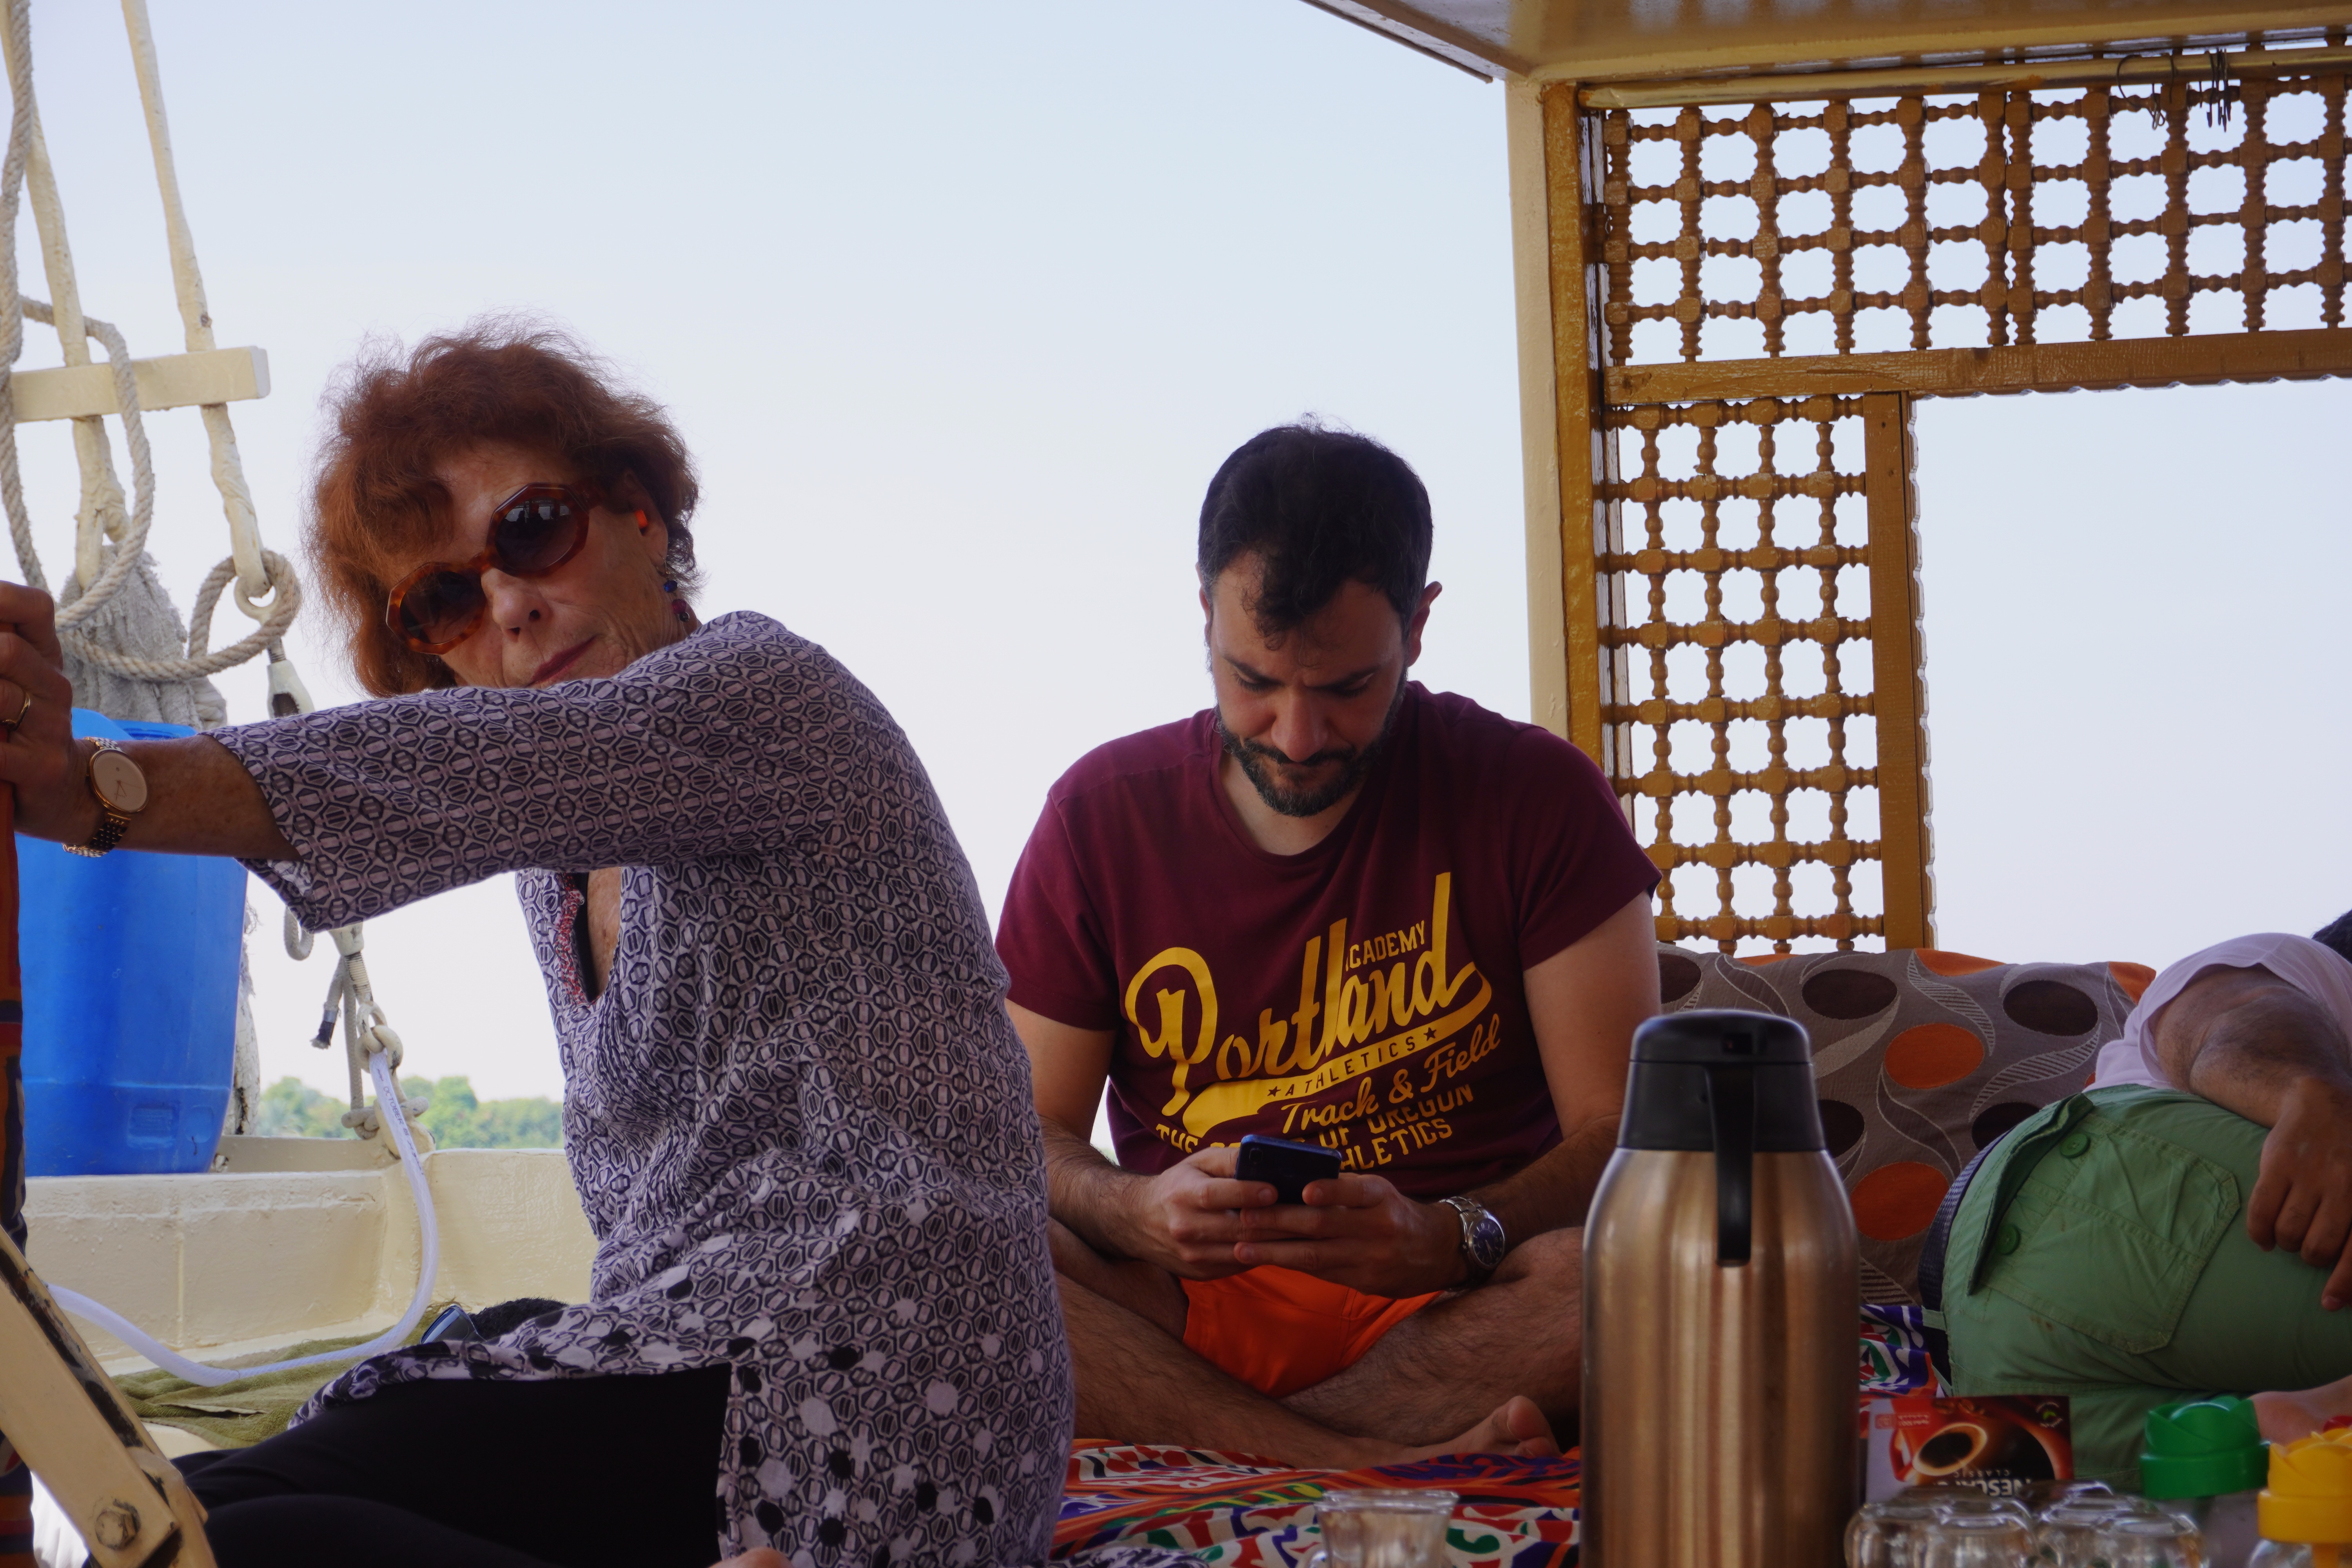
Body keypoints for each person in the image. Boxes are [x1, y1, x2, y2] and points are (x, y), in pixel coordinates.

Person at [0, 325, 1140, 1568]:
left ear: (641, 516)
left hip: (878, 1394)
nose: (509, 605)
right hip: (690, 1375)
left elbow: (472, 774)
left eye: (535, 529)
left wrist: (90, 785)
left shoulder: (771, 696)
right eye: (443, 602)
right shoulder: (560, 876)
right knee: (188, 1518)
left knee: (226, 1535)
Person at [995, 423, 1661, 1467]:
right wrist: (1135, 1210)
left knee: (1639, 1277)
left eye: (1348, 688)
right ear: (1205, 613)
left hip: (1452, 1305)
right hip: (1182, 1308)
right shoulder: (1098, 818)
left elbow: (1626, 1133)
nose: (1296, 735)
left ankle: (1239, 1449)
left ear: (1419, 625)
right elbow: (1017, 1135)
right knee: (961, 1251)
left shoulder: (1536, 797)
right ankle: (1362, 1463)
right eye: (1253, 680)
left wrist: (1448, 1233)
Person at [1931, 912, 2352, 1485]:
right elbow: (2227, 1004)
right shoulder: (2308, 968)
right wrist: (2314, 1093)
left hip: (1993, 1367)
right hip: (2114, 1199)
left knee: (2213, 1508)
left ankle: (2305, 1412)